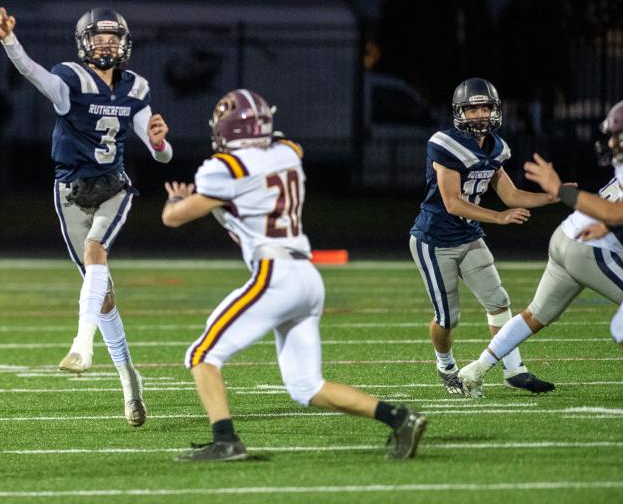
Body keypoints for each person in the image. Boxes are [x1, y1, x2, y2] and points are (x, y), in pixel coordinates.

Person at [162, 89, 426, 462]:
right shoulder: (287, 153)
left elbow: (174, 218)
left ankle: (226, 441)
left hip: (275, 274)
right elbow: (285, 149)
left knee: (201, 355)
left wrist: (175, 201)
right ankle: (399, 418)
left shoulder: (224, 169)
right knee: (306, 386)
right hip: (307, 275)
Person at [0, 6, 172, 427]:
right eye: (98, 37)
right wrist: (8, 41)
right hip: (70, 191)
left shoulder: (136, 88)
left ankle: (81, 346)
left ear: (125, 43)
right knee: (102, 293)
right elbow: (33, 73)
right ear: (84, 43)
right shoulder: (70, 79)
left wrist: (161, 144)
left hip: (113, 187)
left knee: (96, 254)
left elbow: (162, 155)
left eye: (113, 37)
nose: (106, 44)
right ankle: (130, 379)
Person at [458, 100, 623, 396]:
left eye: (617, 136)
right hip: (589, 248)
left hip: (567, 235)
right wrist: (562, 192)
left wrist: (606, 222)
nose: (612, 143)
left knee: (535, 314)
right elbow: (615, 211)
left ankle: (476, 369)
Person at [409, 78, 556, 395]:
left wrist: (555, 196)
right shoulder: (444, 143)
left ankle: (514, 369)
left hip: (468, 234)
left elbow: (512, 195)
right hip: (435, 239)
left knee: (499, 301)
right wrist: (499, 218)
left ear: (495, 109)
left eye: (485, 107)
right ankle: (446, 366)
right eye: (472, 108)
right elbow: (452, 202)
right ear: (459, 112)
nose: (479, 114)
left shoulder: (498, 148)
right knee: (448, 319)